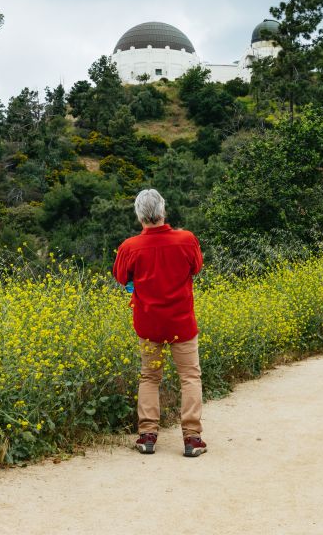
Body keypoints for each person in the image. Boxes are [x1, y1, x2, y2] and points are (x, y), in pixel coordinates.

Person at [112, 188, 208, 457]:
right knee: (190, 377)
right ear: (163, 211)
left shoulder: (130, 247)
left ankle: (147, 435)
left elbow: (121, 278)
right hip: (182, 323)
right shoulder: (186, 239)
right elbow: (196, 267)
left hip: (149, 323)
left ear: (139, 215)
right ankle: (192, 438)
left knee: (150, 377)